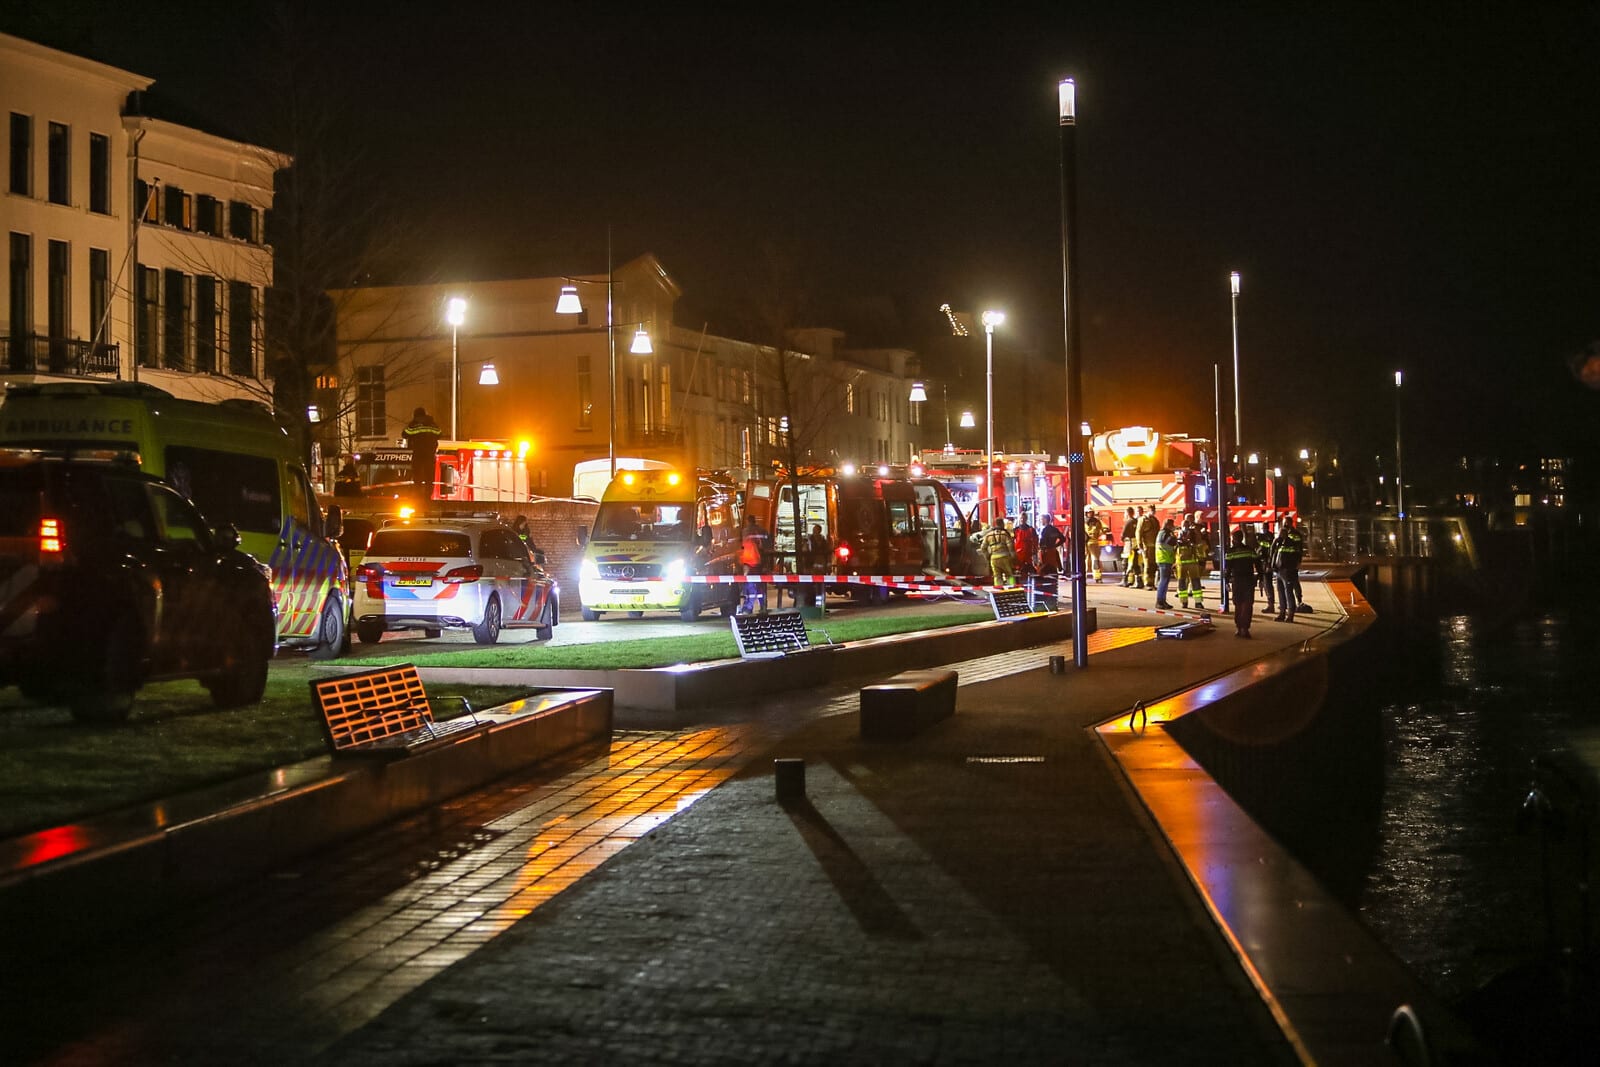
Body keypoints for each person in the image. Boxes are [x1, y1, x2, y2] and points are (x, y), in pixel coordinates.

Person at [1225, 528, 1258, 637]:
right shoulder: (1250, 550)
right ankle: (1245, 629)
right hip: (1249, 580)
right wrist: (1260, 578)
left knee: (1238, 604)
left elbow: (1227, 569)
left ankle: (1239, 628)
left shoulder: (1230, 552)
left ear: (1234, 539)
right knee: (1247, 605)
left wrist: (1226, 581)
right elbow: (1258, 565)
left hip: (1237, 581)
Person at [403, 407, 441, 497]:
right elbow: (439, 434)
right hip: (430, 454)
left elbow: (404, 434)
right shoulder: (433, 424)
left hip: (418, 453)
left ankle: (417, 495)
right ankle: (428, 496)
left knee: (417, 476)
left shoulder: (414, 424)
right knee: (429, 476)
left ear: (415, 415)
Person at [739, 514, 771, 613]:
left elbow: (741, 547)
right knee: (761, 585)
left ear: (748, 521)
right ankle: (763, 606)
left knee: (750, 586)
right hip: (760, 562)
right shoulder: (763, 531)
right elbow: (767, 546)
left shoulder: (745, 532)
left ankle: (749, 607)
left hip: (749, 562)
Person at [1175, 520, 1203, 609]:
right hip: (1181, 563)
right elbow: (1174, 547)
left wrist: (1193, 537)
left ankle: (1198, 602)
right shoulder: (1177, 535)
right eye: (1184, 525)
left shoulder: (1194, 534)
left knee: (1195, 582)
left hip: (1192, 562)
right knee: (1182, 583)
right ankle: (1184, 602)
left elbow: (1199, 544)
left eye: (1187, 525)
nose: (1185, 527)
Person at [984, 517, 1016, 588]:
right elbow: (1010, 547)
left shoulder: (988, 535)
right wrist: (1013, 558)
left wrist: (987, 556)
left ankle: (999, 591)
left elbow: (983, 548)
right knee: (1009, 575)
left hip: (993, 559)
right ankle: (1012, 588)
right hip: (1005, 558)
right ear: (1002, 524)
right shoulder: (1005, 534)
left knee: (997, 576)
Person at [1153, 517, 1178, 609]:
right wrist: (1175, 537)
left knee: (1165, 581)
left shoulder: (1163, 533)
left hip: (1164, 559)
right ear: (1168, 525)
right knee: (1163, 581)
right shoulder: (1164, 533)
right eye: (1172, 525)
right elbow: (1170, 542)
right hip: (1164, 559)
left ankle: (1162, 601)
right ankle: (1160, 601)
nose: (1173, 527)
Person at [1255, 523, 1276, 614]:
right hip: (1264, 564)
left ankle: (1271, 605)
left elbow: (1265, 552)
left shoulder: (1267, 538)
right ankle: (1270, 604)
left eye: (1264, 528)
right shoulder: (1266, 537)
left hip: (1266, 565)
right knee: (1266, 585)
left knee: (1268, 585)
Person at [1138, 505, 1160, 590]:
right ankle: (1147, 583)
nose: (1153, 512)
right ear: (1148, 510)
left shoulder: (1155, 520)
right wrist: (1140, 544)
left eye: (1154, 510)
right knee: (1147, 565)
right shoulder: (1142, 520)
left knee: (1153, 565)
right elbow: (1138, 532)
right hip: (1146, 545)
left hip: (1154, 546)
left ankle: (1152, 582)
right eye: (1151, 510)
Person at [1083, 508, 1106, 582]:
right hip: (1086, 543)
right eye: (1089, 512)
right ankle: (1083, 577)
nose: (1090, 514)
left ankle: (1097, 577)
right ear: (1086, 513)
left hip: (1093, 542)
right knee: (1085, 560)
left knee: (1095, 560)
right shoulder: (1083, 521)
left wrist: (1102, 532)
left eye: (1091, 512)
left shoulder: (1097, 521)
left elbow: (1104, 528)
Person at [1121, 506, 1141, 587]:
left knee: (1125, 562)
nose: (1124, 514)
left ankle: (1125, 580)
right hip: (1135, 544)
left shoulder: (1128, 522)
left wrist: (1123, 539)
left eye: (1125, 513)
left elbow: (1123, 534)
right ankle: (1138, 581)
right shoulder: (1136, 521)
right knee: (1135, 563)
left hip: (1129, 544)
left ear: (1128, 513)